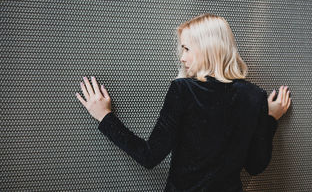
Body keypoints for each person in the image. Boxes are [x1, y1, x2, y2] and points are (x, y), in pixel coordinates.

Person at [75, 13, 291, 192]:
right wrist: (270, 118)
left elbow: (149, 156)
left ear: (208, 49)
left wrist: (104, 116)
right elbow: (255, 165)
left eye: (186, 49)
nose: (181, 57)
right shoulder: (254, 96)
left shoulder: (184, 90)